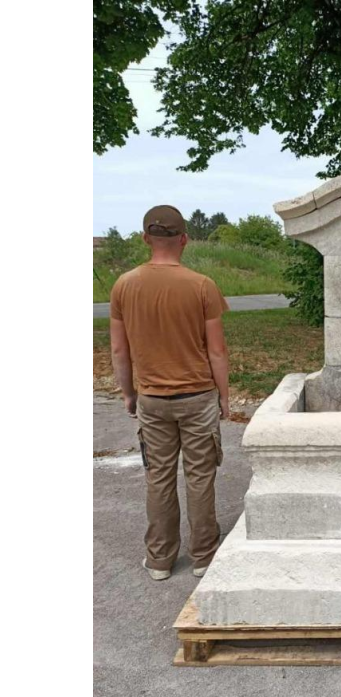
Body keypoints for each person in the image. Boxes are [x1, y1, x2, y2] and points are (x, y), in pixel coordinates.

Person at [109, 205, 230, 581]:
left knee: (158, 478)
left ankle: (160, 559)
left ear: (145, 238)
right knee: (200, 477)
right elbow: (217, 351)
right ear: (184, 240)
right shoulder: (202, 285)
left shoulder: (124, 285)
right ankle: (204, 556)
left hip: (152, 399)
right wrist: (224, 397)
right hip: (197, 397)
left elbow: (119, 350)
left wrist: (129, 394)